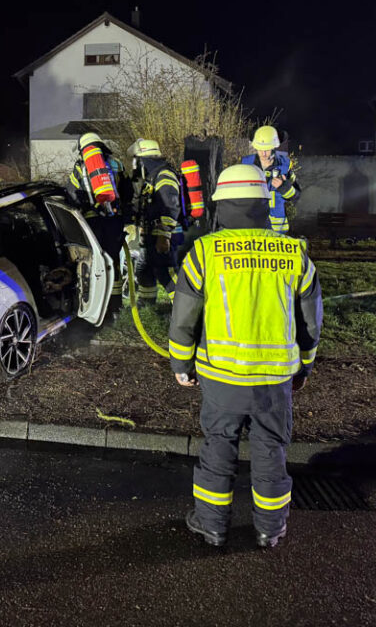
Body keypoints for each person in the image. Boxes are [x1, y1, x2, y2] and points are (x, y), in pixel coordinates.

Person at [169, 163, 322, 549]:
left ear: (221, 204)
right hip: (274, 379)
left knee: (219, 446)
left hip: (222, 376)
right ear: (263, 203)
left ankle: (212, 526)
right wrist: (305, 365)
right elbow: (310, 321)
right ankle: (270, 529)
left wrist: (181, 364)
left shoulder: (204, 252)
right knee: (271, 449)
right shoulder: (294, 253)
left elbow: (184, 317)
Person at [66, 132, 131, 316]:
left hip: (93, 223)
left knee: (96, 264)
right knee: (113, 262)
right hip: (114, 220)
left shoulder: (80, 167)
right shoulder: (116, 164)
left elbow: (72, 195)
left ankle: (98, 308)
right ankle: (116, 308)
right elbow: (128, 192)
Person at [127, 138, 181, 309]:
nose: (135, 166)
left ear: (143, 160)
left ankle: (184, 308)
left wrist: (163, 236)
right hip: (152, 234)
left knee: (165, 272)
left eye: (136, 161)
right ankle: (147, 306)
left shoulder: (164, 175)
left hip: (165, 234)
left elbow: (170, 207)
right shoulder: (152, 177)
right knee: (144, 269)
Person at [241, 125, 300, 233]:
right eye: (260, 149)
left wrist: (284, 187)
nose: (263, 154)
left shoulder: (284, 166)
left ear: (274, 147)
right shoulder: (245, 165)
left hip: (276, 231)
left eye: (267, 149)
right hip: (251, 228)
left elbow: (295, 196)